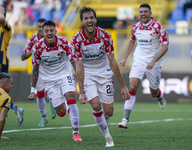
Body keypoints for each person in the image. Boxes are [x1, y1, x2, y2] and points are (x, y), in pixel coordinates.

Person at [71, 7, 130, 147]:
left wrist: (122, 85)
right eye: (86, 18)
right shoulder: (76, 39)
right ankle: (108, 137)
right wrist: (82, 91)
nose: (89, 20)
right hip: (88, 75)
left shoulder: (105, 36)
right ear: (82, 21)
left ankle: (106, 116)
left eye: (91, 18)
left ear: (95, 19)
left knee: (108, 111)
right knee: (96, 106)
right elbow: (79, 66)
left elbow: (112, 61)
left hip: (105, 74)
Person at [118, 3, 169, 129]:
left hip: (154, 63)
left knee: (153, 91)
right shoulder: (135, 27)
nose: (143, 14)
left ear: (150, 13)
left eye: (146, 11)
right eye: (141, 12)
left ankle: (160, 98)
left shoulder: (158, 27)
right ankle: (125, 119)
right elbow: (131, 41)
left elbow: (165, 46)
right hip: (139, 61)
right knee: (133, 86)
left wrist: (153, 61)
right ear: (139, 14)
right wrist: (124, 58)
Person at [29, 20, 82, 141]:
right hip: (49, 81)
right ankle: (64, 105)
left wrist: (81, 83)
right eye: (46, 31)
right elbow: (35, 70)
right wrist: (33, 90)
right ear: (42, 33)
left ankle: (76, 132)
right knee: (61, 112)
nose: (49, 33)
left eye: (51, 30)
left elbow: (74, 63)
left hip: (65, 75)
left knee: (71, 97)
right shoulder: (37, 48)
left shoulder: (64, 43)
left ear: (55, 31)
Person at [0, 6, 24, 126]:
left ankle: (13, 109)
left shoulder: (6, 27)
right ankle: (15, 109)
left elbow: (1, 18)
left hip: (0, 61)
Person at [21, 18, 56, 127]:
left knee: (53, 89)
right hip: (38, 69)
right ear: (37, 27)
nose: (41, 29)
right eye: (39, 26)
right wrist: (34, 50)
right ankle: (44, 118)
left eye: (43, 26)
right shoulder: (32, 40)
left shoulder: (53, 38)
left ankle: (53, 103)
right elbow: (23, 56)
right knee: (39, 93)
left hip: (51, 67)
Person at [0, 72, 13, 139]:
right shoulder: (6, 98)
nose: (11, 86)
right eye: (11, 83)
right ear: (5, 84)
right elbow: (1, 119)